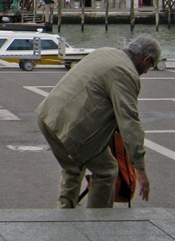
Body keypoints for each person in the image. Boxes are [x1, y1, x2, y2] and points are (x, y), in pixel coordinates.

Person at [35, 34, 161, 208]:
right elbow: (129, 122)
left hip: (47, 116)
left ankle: (64, 215)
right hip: (71, 128)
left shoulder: (105, 52)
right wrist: (140, 169)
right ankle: (99, 223)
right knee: (107, 171)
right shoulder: (126, 73)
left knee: (73, 168)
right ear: (146, 58)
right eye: (150, 65)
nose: (147, 70)